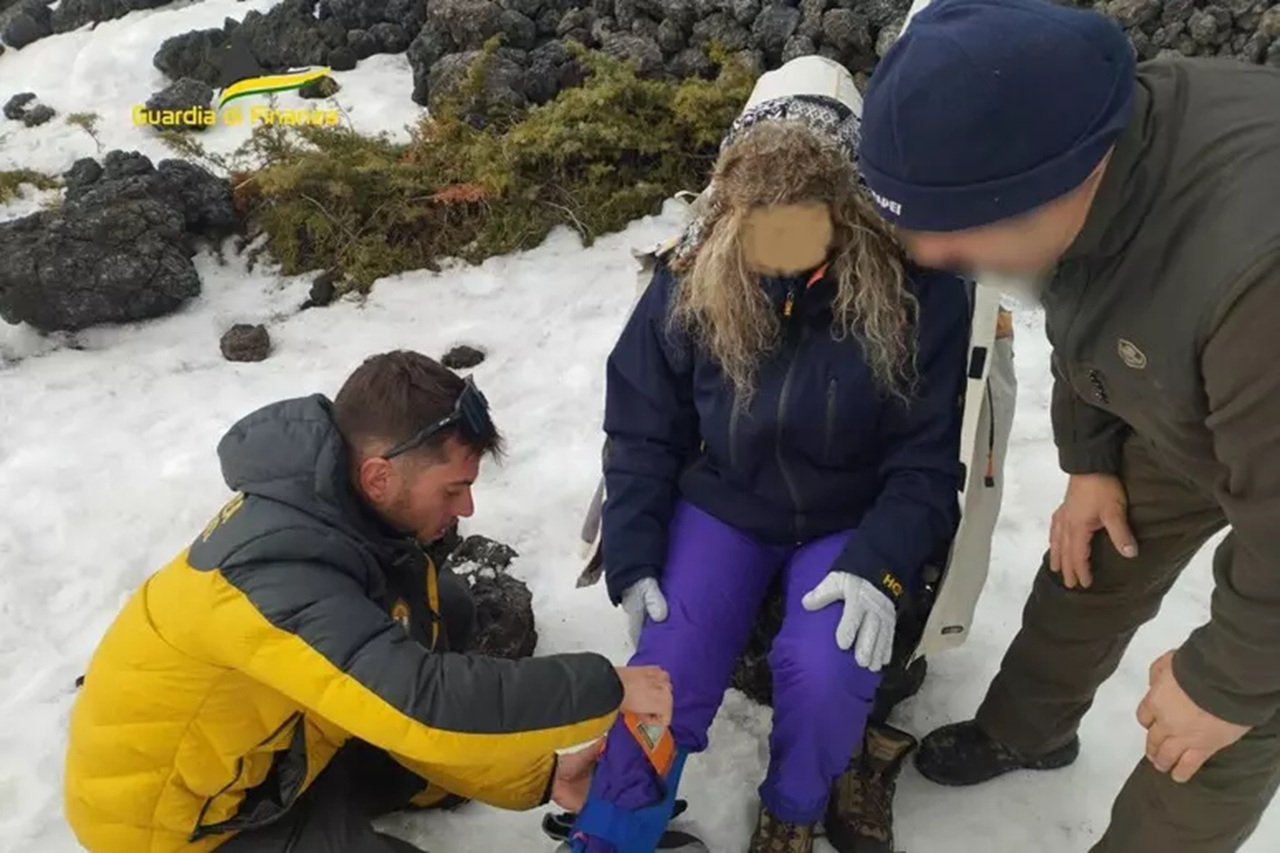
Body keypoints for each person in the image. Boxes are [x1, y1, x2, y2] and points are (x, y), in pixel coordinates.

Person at [857, 0, 1280, 850]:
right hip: (1197, 394)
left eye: (948, 232)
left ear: (1049, 186)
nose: (929, 257)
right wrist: (1090, 460)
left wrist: (1225, 686)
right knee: (1090, 558)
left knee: (1217, 734)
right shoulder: (1089, 139)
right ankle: (1029, 729)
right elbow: (1088, 293)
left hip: (1254, 387)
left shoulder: (1256, 286)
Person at [562, 86, 970, 853]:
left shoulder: (918, 289)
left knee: (829, 667)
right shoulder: (690, 273)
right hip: (725, 501)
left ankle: (792, 809)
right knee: (667, 665)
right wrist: (634, 555)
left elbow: (925, 461)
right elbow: (642, 427)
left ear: (847, 206)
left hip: (848, 514)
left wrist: (879, 565)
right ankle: (615, 828)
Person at [63, 350, 674, 853]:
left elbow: (400, 698)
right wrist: (608, 687)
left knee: (448, 610)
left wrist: (543, 776)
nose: (466, 508)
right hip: (183, 827)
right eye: (453, 489)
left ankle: (395, 791)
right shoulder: (277, 574)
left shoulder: (356, 524)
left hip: (280, 753)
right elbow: (422, 701)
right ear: (379, 477)